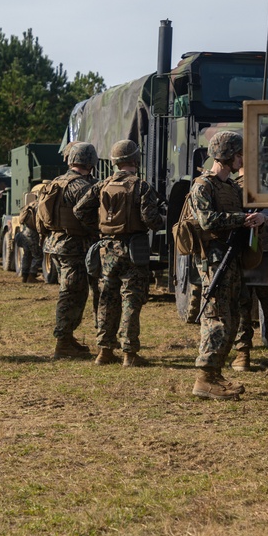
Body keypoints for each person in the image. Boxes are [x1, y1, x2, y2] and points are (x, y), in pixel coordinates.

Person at [187, 131, 266, 400]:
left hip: (231, 257)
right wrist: (242, 220)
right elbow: (207, 221)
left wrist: (256, 219)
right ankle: (205, 378)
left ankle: (215, 374)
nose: (242, 159)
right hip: (213, 259)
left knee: (231, 316)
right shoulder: (202, 186)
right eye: (239, 154)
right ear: (229, 155)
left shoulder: (231, 187)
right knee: (216, 317)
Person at [75, 140, 163, 367]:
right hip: (133, 250)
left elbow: (79, 210)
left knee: (106, 298)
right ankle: (129, 354)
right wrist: (163, 218)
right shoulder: (142, 186)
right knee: (131, 300)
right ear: (135, 160)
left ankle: (104, 351)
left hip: (107, 250)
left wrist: (101, 227)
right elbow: (151, 221)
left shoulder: (101, 185)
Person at [39, 142, 99, 359]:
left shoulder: (56, 182)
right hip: (73, 246)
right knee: (71, 293)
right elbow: (87, 213)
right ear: (91, 162)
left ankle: (67, 337)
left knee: (74, 291)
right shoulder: (80, 186)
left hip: (55, 244)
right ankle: (63, 342)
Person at [232, 169, 268, 371]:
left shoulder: (232, 187)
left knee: (243, 303)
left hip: (247, 254)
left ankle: (243, 354)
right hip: (267, 253)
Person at [15, 182, 46, 283]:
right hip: (33, 234)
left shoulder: (30, 204)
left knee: (27, 255)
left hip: (25, 232)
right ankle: (32, 276)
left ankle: (24, 276)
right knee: (38, 256)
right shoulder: (40, 206)